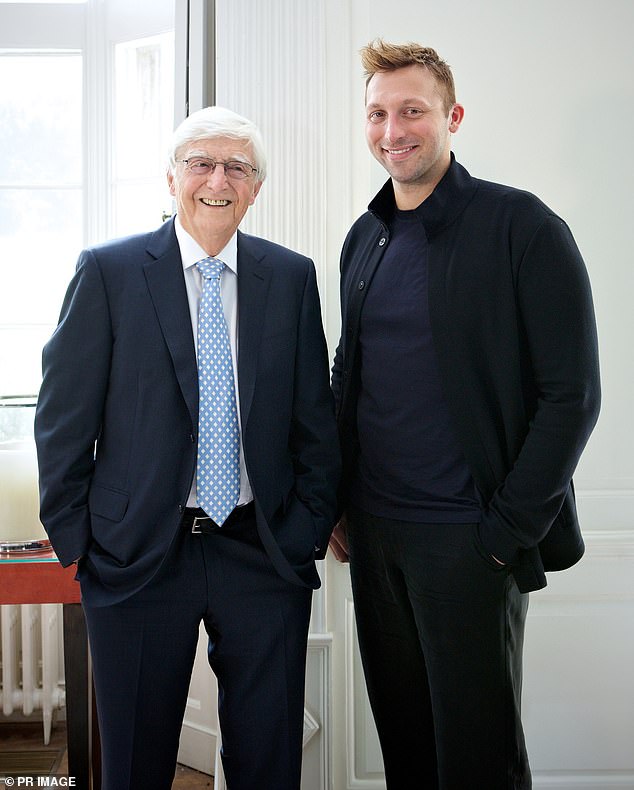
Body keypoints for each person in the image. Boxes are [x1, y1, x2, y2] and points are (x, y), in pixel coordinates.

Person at [35, 105, 340, 790]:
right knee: (137, 761)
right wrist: (77, 539)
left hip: (261, 550)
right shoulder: (108, 272)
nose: (217, 179)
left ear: (256, 187)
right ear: (171, 178)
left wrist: (305, 529)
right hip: (137, 551)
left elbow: (314, 420)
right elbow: (62, 418)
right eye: (201, 162)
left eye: (236, 166)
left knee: (268, 760)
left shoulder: (289, 277)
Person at [330, 39, 600, 789]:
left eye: (411, 111)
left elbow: (572, 394)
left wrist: (503, 534)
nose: (393, 130)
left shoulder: (523, 228)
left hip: (470, 544)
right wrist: (338, 500)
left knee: (479, 766)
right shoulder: (366, 237)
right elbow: (348, 375)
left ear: (451, 116)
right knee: (408, 758)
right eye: (378, 114)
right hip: (376, 539)